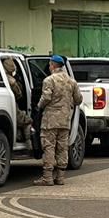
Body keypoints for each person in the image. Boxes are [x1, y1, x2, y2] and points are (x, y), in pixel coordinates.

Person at [34, 54, 82, 186]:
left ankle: (47, 177)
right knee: (62, 148)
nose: (49, 67)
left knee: (49, 147)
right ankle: (60, 177)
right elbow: (79, 99)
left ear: (53, 65)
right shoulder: (72, 81)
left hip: (50, 120)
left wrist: (38, 107)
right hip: (65, 120)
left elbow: (46, 97)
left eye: (50, 65)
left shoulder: (49, 80)